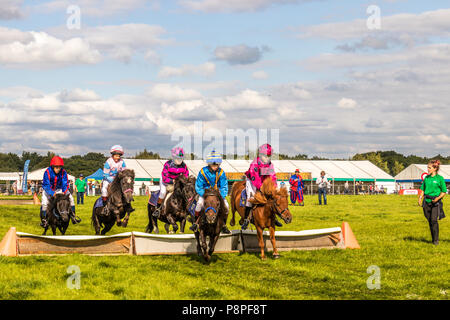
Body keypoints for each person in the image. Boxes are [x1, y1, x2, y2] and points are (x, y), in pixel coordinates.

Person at [242, 143, 282, 230]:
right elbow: (255, 178)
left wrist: (273, 188)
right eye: (265, 156)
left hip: (262, 181)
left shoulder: (270, 164)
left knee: (271, 198)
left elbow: (273, 177)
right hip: (252, 181)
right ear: (260, 155)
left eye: (269, 156)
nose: (267, 158)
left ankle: (274, 218)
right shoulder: (254, 164)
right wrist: (261, 188)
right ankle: (246, 219)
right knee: (251, 197)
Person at [190, 150, 230, 234]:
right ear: (209, 164)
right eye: (213, 164)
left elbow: (224, 186)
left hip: (217, 195)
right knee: (199, 204)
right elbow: (198, 186)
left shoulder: (221, 173)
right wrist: (204, 195)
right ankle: (196, 223)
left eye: (217, 165)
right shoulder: (202, 172)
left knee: (226, 206)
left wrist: (221, 196)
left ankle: (223, 225)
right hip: (205, 194)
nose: (215, 166)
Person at [40, 156, 81, 228]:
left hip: (60, 189)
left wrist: (64, 191)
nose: (58, 169)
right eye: (56, 167)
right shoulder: (47, 172)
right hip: (49, 190)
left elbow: (65, 183)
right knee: (44, 203)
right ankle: (44, 220)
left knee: (71, 198)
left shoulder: (63, 172)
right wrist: (52, 193)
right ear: (52, 166)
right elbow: (46, 185)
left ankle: (73, 216)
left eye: (59, 167)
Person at [153, 147, 189, 217]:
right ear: (173, 157)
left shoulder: (184, 166)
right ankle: (158, 209)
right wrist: (172, 181)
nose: (179, 160)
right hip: (166, 181)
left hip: (176, 182)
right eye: (178, 158)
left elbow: (186, 175)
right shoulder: (168, 164)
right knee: (163, 192)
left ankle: (187, 210)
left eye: (181, 158)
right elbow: (165, 178)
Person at [418, 160, 446, 245]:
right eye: (428, 167)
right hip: (426, 202)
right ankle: (433, 238)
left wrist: (438, 198)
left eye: (429, 168)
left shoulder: (440, 178)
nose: (428, 169)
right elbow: (422, 189)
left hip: (435, 202)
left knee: (434, 220)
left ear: (435, 168)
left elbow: (444, 191)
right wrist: (420, 198)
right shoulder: (426, 178)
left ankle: (436, 240)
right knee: (430, 221)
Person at [101, 145, 134, 215]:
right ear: (112, 155)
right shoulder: (108, 162)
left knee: (126, 188)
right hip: (108, 179)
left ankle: (128, 205)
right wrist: (113, 179)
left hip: (119, 180)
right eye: (116, 156)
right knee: (104, 190)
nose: (117, 157)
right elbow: (105, 175)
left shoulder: (122, 162)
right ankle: (105, 207)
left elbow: (124, 172)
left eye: (119, 156)